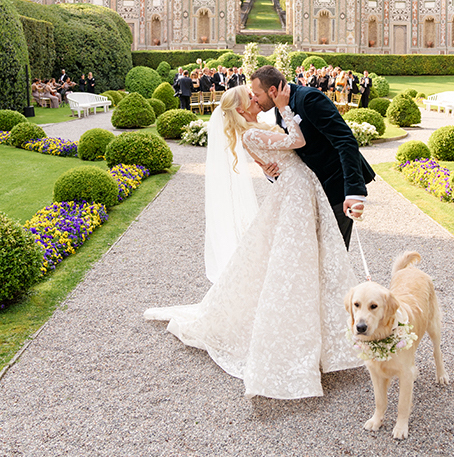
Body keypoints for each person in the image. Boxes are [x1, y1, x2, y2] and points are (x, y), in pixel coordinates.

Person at [144, 83, 361, 399]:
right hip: (296, 193)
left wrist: (270, 167)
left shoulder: (256, 129)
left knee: (306, 256)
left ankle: (321, 333)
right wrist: (286, 109)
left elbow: (277, 161)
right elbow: (296, 142)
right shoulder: (250, 134)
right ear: (243, 108)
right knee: (294, 260)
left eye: (254, 94)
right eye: (251, 97)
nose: (256, 99)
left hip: (299, 188)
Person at [250, 66, 374, 248]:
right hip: (312, 192)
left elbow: (345, 141)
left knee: (333, 256)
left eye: (256, 94)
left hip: (336, 188)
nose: (255, 99)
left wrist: (354, 191)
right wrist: (271, 172)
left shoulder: (309, 98)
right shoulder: (280, 107)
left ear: (272, 90)